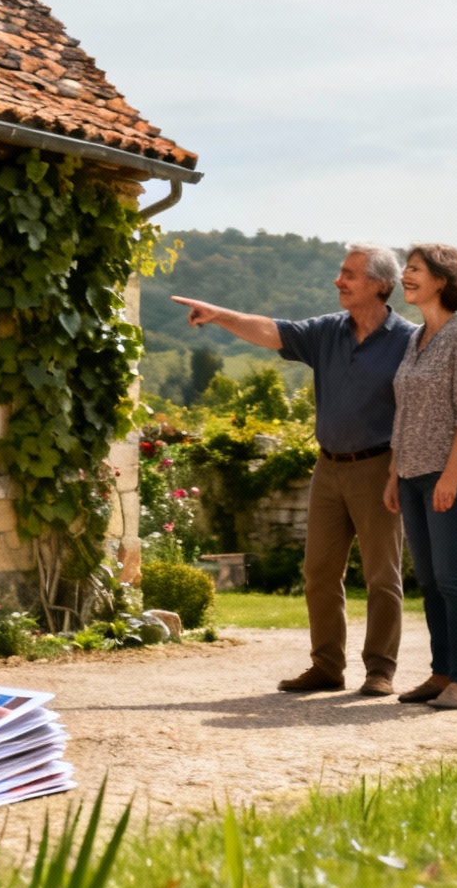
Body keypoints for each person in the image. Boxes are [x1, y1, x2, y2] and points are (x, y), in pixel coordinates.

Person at [171, 244, 413, 696]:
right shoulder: (326, 332)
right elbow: (272, 330)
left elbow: (417, 411)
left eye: (349, 274)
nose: (338, 281)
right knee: (319, 571)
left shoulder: (408, 341)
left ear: (380, 285)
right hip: (328, 468)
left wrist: (401, 469)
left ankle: (380, 669)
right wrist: (218, 314)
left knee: (383, 575)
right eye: (340, 273)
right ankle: (326, 667)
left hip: (380, 467)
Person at [384, 243, 457, 711]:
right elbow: (403, 413)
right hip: (410, 475)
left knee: (451, 576)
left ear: (442, 281)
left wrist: (449, 476)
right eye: (406, 268)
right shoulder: (415, 338)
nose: (405, 275)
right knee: (428, 578)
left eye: (415, 270)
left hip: (452, 475)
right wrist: (394, 475)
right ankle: (441, 672)